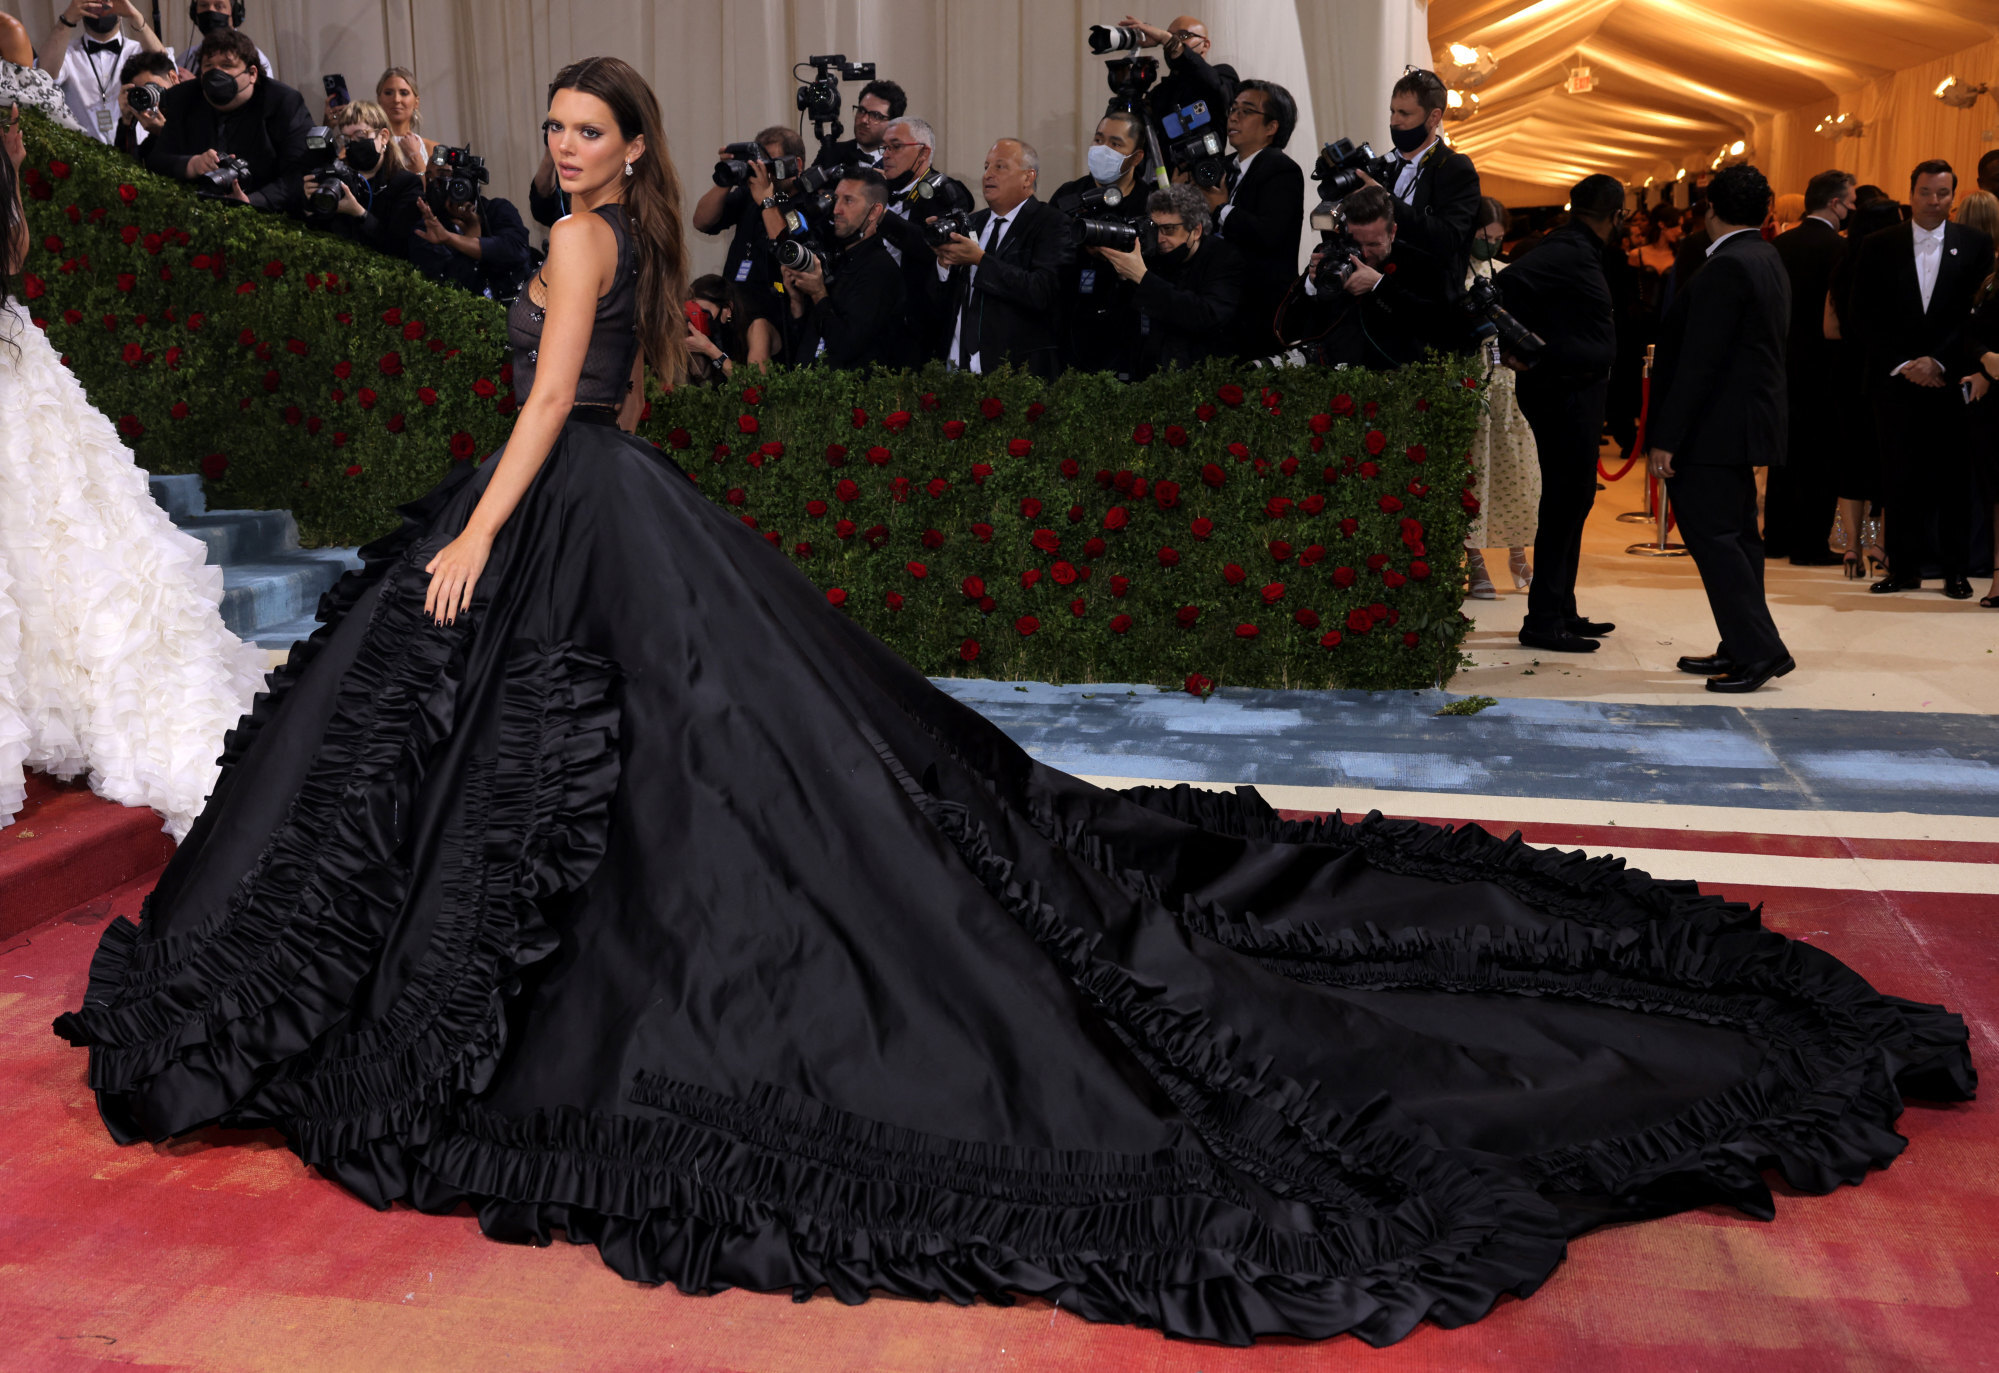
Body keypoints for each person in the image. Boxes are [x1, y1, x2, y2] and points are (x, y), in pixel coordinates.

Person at [46, 59, 1975, 1350]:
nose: (559, 156)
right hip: (638, 514)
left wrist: (475, 532)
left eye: (578, 134)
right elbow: (654, 396)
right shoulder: (641, 241)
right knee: (661, 780)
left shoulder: (575, 245)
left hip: (564, 512)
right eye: (549, 134)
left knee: (561, 778)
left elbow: (556, 406)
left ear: (619, 152)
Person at [0, 103, 265, 838]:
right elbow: (13, 258)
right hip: (12, 357)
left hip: (12, 365)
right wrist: (12, 175)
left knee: (39, 525)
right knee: (56, 529)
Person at [1646, 164, 1795, 694]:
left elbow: (1698, 364)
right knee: (1738, 539)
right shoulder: (1766, 255)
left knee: (1718, 542)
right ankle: (1740, 644)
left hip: (1714, 429)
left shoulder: (1728, 266)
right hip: (1742, 423)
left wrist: (1666, 436)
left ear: (1709, 210)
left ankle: (1760, 651)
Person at [1852, 159, 1991, 599]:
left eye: (1943, 194)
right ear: (1910, 193)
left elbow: (1975, 318)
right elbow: (1863, 314)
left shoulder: (1975, 244)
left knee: (1953, 479)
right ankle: (1904, 569)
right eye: (1926, 192)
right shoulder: (1878, 245)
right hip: (1894, 382)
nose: (1934, 202)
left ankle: (1955, 571)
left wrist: (1939, 362)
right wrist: (1905, 363)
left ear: (1954, 195)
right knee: (1899, 477)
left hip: (1952, 382)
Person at [1495, 172, 1621, 654]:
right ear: (1617, 216)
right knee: (1566, 502)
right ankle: (1544, 618)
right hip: (1564, 393)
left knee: (1576, 500)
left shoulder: (1574, 247)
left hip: (1573, 390)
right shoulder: (1567, 249)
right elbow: (1506, 283)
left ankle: (1560, 608)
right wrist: (1525, 349)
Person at [1763, 169, 1855, 567]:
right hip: (1825, 366)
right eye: (1850, 201)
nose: (1853, 208)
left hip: (1781, 363)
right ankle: (1809, 544)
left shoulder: (1779, 245)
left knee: (1784, 454)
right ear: (1834, 203)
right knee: (1820, 458)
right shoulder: (1840, 250)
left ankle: (1776, 537)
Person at [930, 137, 1074, 379]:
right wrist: (943, 264)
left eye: (1000, 166)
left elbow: (1042, 292)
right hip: (956, 369)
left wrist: (980, 260)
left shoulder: (1052, 223)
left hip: (1017, 373)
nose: (988, 174)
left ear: (1028, 177)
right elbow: (944, 301)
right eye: (986, 167)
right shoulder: (972, 222)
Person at [1275, 183, 1456, 370]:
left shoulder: (1422, 265)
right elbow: (1288, 332)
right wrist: (1311, 286)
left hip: (1395, 383)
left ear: (1392, 232)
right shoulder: (1333, 257)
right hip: (1329, 382)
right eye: (1356, 243)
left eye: (1373, 244)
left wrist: (1379, 285)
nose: (1364, 253)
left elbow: (1440, 329)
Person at [140, 26, 308, 212]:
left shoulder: (283, 102)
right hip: (197, 211)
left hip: (270, 214)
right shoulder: (183, 98)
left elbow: (299, 173)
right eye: (209, 66)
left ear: (252, 74)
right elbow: (157, 159)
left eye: (227, 66)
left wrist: (251, 201)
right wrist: (192, 164)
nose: (215, 73)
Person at [1462, 197, 1539, 600]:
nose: (1491, 243)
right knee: (1472, 475)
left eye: (1498, 237)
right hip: (1467, 383)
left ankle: (1518, 554)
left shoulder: (1507, 273)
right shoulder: (1452, 273)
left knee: (1517, 473)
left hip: (1507, 386)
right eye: (1485, 236)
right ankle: (1475, 564)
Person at [1091, 181, 1243, 378]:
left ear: (1196, 231)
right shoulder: (1154, 254)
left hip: (1202, 374)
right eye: (1155, 229)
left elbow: (1206, 315)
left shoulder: (1224, 258)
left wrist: (1141, 277)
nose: (1160, 238)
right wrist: (1124, 276)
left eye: (1169, 229)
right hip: (1148, 373)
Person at [1826, 192, 1903, 577]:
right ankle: (1883, 545)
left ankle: (1852, 546)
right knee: (1888, 460)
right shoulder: (1895, 265)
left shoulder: (1843, 264)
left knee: (1851, 462)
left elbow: (1829, 327)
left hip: (1845, 371)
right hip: (1885, 371)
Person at [1049, 109, 1154, 376]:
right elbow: (1047, 254)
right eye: (1098, 140)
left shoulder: (1152, 202)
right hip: (1069, 325)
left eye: (1115, 143)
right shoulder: (1069, 194)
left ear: (1137, 157)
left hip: (1129, 331)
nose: (1102, 149)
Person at [1207, 78, 1303, 359]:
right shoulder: (1223, 166)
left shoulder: (1282, 169)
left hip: (1258, 309)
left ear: (1271, 127)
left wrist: (1220, 209)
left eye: (1246, 111)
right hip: (1218, 301)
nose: (1234, 116)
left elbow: (1268, 234)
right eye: (1233, 109)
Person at [783, 168, 910, 371]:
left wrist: (818, 294)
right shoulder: (836, 259)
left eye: (848, 201)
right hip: (810, 391)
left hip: (854, 397)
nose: (836, 209)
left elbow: (845, 347)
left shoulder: (879, 270)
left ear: (875, 211)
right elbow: (808, 344)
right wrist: (797, 302)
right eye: (836, 199)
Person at [1364, 66, 1480, 285]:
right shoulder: (1380, 166)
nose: (1394, 121)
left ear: (1434, 117)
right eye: (1392, 111)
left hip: (1426, 303)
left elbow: (1448, 238)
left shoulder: (1455, 168)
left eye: (1404, 113)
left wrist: (1385, 201)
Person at [873, 116, 974, 354]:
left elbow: (932, 249)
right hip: (874, 313)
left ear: (923, 152)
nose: (885, 155)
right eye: (884, 147)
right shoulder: (879, 189)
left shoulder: (946, 192)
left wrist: (879, 215)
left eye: (895, 146)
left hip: (918, 326)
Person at [688, 125, 802, 331]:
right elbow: (702, 221)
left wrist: (767, 201)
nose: (765, 173)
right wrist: (726, 180)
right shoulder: (749, 194)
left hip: (777, 317)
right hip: (734, 308)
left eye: (771, 164)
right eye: (759, 164)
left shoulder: (804, 202)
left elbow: (789, 248)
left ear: (796, 165)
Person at [302, 100, 423, 259]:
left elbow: (398, 247)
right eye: (347, 138)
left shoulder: (406, 184)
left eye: (360, 135)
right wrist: (311, 206)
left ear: (383, 137)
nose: (354, 143)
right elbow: (317, 238)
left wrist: (358, 212)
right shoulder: (337, 178)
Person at [410, 148, 532, 301]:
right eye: (429, 178)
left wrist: (451, 238)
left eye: (444, 175)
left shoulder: (497, 209)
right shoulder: (428, 228)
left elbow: (516, 251)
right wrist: (472, 234)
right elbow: (450, 288)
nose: (436, 185)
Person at [42, 0, 169, 145]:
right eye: (94, 2)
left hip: (136, 152)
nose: (100, 7)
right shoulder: (66, 53)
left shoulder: (138, 50)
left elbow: (167, 70)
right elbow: (44, 75)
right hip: (84, 155)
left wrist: (135, 16)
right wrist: (67, 19)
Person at [1119, 15, 1237, 129]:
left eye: (1183, 35)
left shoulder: (1223, 74)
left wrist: (1167, 40)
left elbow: (1215, 88)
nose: (1172, 40)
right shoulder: (1159, 92)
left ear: (1205, 45)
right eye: (1170, 35)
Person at [326, 67, 433, 185]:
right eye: (388, 93)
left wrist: (417, 159)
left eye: (404, 93)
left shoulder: (431, 148)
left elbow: (434, 199)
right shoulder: (357, 147)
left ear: (416, 102)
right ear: (379, 99)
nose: (396, 99)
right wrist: (327, 126)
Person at [683, 272, 783, 383]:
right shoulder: (718, 331)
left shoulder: (757, 327)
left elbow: (756, 387)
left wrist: (709, 349)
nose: (699, 319)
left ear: (727, 309)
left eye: (704, 313)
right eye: (693, 313)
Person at [811, 77, 904, 172]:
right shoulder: (831, 153)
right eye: (861, 110)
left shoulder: (902, 163)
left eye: (876, 116)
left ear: (893, 124)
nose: (864, 120)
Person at [178, 0, 272, 79]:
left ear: (235, 13)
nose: (210, 10)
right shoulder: (186, 58)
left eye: (219, 6)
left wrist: (193, 86)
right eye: (204, 5)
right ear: (195, 13)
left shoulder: (254, 58)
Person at [110, 49, 177, 157]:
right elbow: (128, 167)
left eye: (151, 87)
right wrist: (127, 122)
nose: (149, 96)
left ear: (173, 78)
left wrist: (163, 132)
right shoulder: (152, 138)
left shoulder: (202, 107)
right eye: (141, 93)